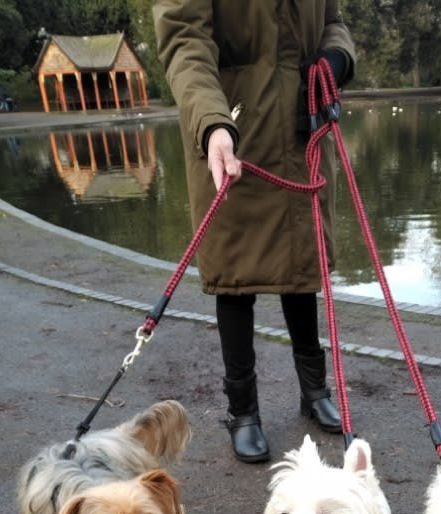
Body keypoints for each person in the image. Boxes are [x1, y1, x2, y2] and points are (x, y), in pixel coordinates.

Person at [152, 2, 356, 463]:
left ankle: (314, 390)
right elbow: (185, 40)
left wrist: (336, 58)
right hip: (231, 135)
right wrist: (212, 123)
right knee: (235, 277)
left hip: (301, 130)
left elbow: (333, 23)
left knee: (302, 268)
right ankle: (243, 411)